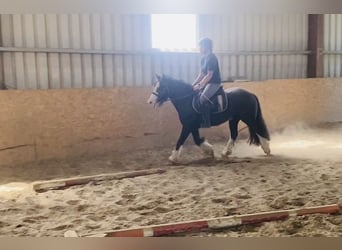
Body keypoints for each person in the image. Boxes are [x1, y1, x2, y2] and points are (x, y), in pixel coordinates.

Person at [192, 38, 222, 128]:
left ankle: (206, 121)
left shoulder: (212, 58)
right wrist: (193, 85)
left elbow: (209, 75)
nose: (200, 49)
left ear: (206, 47)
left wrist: (200, 85)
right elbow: (201, 74)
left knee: (202, 98)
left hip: (214, 83)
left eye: (201, 47)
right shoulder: (203, 59)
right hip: (207, 82)